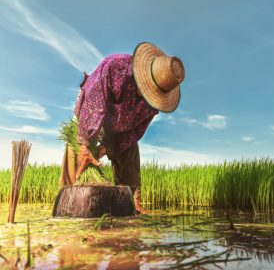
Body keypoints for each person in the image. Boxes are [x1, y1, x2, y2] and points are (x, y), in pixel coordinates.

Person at [59, 42, 185, 214]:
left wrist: (110, 147)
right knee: (77, 154)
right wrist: (85, 144)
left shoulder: (153, 105)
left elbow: (135, 132)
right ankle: (67, 205)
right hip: (91, 111)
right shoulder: (115, 67)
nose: (149, 96)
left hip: (120, 128)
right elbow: (94, 103)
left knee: (130, 154)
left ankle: (130, 206)